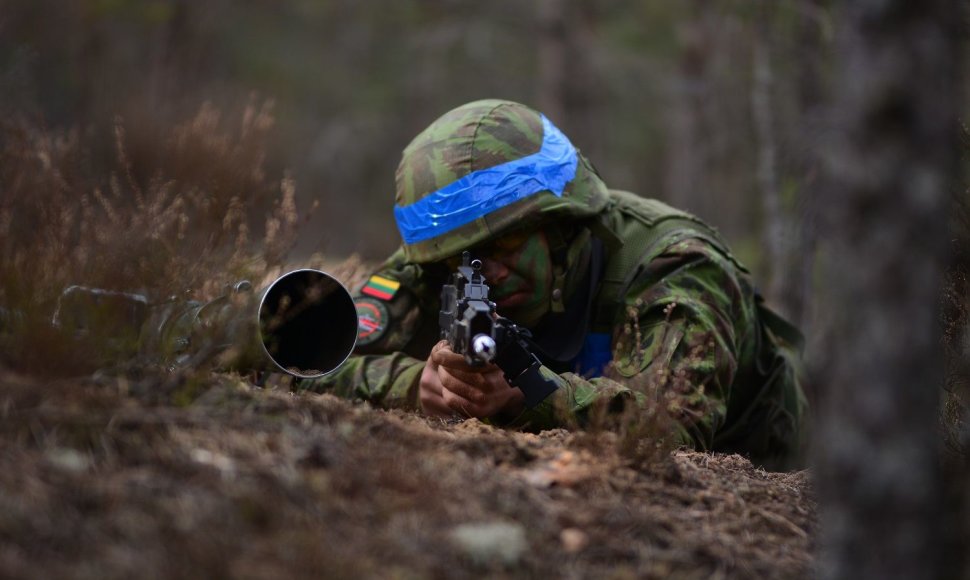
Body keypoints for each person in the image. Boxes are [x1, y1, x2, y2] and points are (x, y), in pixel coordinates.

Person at [301, 99, 807, 470]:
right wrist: (417, 386)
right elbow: (308, 351)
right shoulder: (451, 259)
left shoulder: (674, 266)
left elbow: (670, 426)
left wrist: (527, 395)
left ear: (565, 226)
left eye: (505, 247)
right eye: (462, 260)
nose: (486, 274)